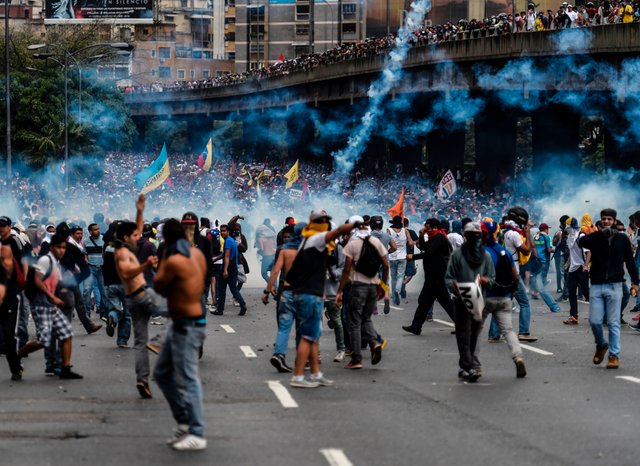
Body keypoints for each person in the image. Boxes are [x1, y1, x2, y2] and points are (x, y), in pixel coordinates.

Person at [153, 219, 208, 451]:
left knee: (187, 378)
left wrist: (163, 257)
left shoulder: (174, 260)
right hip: (184, 323)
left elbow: (158, 285)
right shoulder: (197, 255)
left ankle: (197, 432)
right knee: (162, 373)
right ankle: (184, 420)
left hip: (187, 325)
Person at [287, 210, 356, 388]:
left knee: (314, 337)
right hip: (310, 295)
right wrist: (356, 224)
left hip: (311, 293)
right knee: (307, 337)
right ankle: (298, 377)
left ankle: (316, 374)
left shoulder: (307, 240)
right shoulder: (316, 239)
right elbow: (339, 231)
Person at [114, 194, 165, 399]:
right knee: (182, 310)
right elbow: (126, 273)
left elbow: (137, 226)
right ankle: (160, 340)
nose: (139, 237)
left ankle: (142, 380)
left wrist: (140, 211)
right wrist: (145, 265)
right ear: (126, 238)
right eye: (135, 235)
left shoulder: (127, 247)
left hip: (133, 300)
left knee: (140, 342)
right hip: (142, 295)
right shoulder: (121, 253)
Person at [578, 208, 639, 369]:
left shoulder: (622, 239)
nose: (606, 221)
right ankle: (601, 345)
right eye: (603, 219)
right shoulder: (596, 238)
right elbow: (581, 242)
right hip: (597, 284)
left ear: (614, 221)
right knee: (595, 320)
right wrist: (599, 233)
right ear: (601, 221)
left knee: (613, 322)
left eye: (609, 219)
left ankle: (614, 355)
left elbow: (630, 262)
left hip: (615, 285)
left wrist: (635, 281)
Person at [18, 233, 83, 379]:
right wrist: (53, 297)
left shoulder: (56, 262)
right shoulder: (45, 260)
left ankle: (65, 368)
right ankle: (17, 355)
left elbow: (54, 282)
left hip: (50, 306)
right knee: (43, 340)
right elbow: (38, 281)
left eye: (64, 247)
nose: (62, 250)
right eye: (59, 247)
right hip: (41, 305)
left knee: (66, 333)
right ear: (52, 247)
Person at [336, 216, 388, 369]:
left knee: (354, 322)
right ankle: (374, 342)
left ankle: (356, 358)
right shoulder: (376, 242)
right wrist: (383, 286)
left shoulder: (353, 243)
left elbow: (346, 270)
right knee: (366, 319)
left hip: (357, 286)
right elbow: (385, 265)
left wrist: (339, 290)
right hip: (373, 286)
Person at [446, 222, 494, 383]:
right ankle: (468, 366)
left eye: (477, 236)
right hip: (460, 299)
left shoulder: (485, 256)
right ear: (465, 236)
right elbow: (449, 277)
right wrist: (457, 288)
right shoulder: (457, 255)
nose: (474, 239)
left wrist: (485, 280)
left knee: (473, 333)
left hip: (478, 298)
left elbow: (492, 279)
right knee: (463, 333)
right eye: (471, 236)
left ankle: (466, 364)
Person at [482, 221, 527, 378]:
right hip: (504, 296)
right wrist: (512, 290)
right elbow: (515, 275)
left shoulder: (480, 252)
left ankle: (472, 366)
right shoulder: (504, 252)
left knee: (472, 331)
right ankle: (518, 357)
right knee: (508, 331)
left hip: (485, 297)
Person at [403, 218, 455, 335]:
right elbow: (424, 248)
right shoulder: (434, 238)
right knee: (425, 301)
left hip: (437, 275)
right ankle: (416, 327)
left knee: (445, 301)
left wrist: (413, 257)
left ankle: (463, 325)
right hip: (432, 276)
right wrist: (421, 236)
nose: (424, 228)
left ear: (432, 226)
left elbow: (429, 254)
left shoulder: (439, 238)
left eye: (426, 226)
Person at [263, 224, 297, 372]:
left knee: (287, 326)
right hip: (288, 292)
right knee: (285, 325)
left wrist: (267, 290)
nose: (287, 239)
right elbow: (275, 270)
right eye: (285, 237)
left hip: (291, 292)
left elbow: (275, 270)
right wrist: (270, 289)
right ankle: (283, 355)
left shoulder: (288, 250)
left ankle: (281, 354)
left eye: (290, 237)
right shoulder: (283, 250)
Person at [213, 223, 247, 316]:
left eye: (224, 231)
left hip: (228, 268)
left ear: (228, 232)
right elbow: (224, 254)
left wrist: (225, 270)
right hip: (233, 268)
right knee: (233, 289)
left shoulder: (228, 241)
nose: (222, 233)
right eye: (221, 231)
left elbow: (227, 256)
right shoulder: (231, 240)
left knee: (222, 289)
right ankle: (242, 304)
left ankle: (220, 310)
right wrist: (215, 259)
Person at [0, 245, 23, 380]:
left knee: (9, 335)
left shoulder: (5, 250)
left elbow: (8, 272)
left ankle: (16, 368)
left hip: (9, 299)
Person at [563, 216, 591, 325]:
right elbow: (572, 253)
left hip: (581, 268)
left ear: (571, 226)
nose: (566, 228)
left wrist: (585, 265)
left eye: (567, 226)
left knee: (586, 293)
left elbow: (589, 252)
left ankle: (600, 314)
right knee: (571, 292)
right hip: (572, 269)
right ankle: (573, 316)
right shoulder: (570, 237)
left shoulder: (581, 235)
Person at [83, 223, 105, 317]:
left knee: (103, 291)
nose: (98, 231)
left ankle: (103, 311)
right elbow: (85, 254)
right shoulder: (86, 241)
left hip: (102, 268)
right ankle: (87, 311)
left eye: (98, 229)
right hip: (90, 268)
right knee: (87, 290)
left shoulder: (104, 239)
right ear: (90, 231)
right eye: (95, 229)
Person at [255, 218, 277, 284]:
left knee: (264, 273)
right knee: (272, 273)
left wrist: (258, 252)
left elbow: (262, 249)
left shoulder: (260, 238)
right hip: (274, 255)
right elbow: (275, 246)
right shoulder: (272, 237)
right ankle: (276, 288)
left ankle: (273, 286)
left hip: (267, 256)